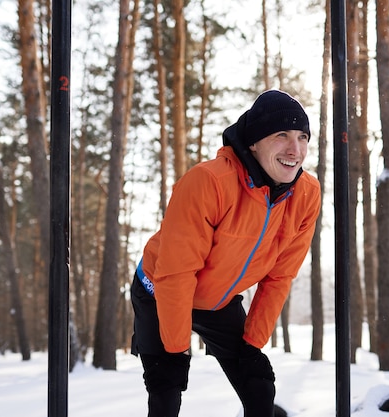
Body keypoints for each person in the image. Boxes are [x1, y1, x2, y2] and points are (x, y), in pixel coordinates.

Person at [130, 90, 321, 417]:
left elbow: (280, 276)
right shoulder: (209, 182)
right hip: (160, 289)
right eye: (282, 136)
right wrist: (176, 352)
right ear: (254, 143)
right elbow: (176, 273)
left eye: (303, 137)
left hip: (217, 300)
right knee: (166, 390)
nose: (296, 149)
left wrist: (252, 344)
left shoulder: (306, 195)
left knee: (258, 384)